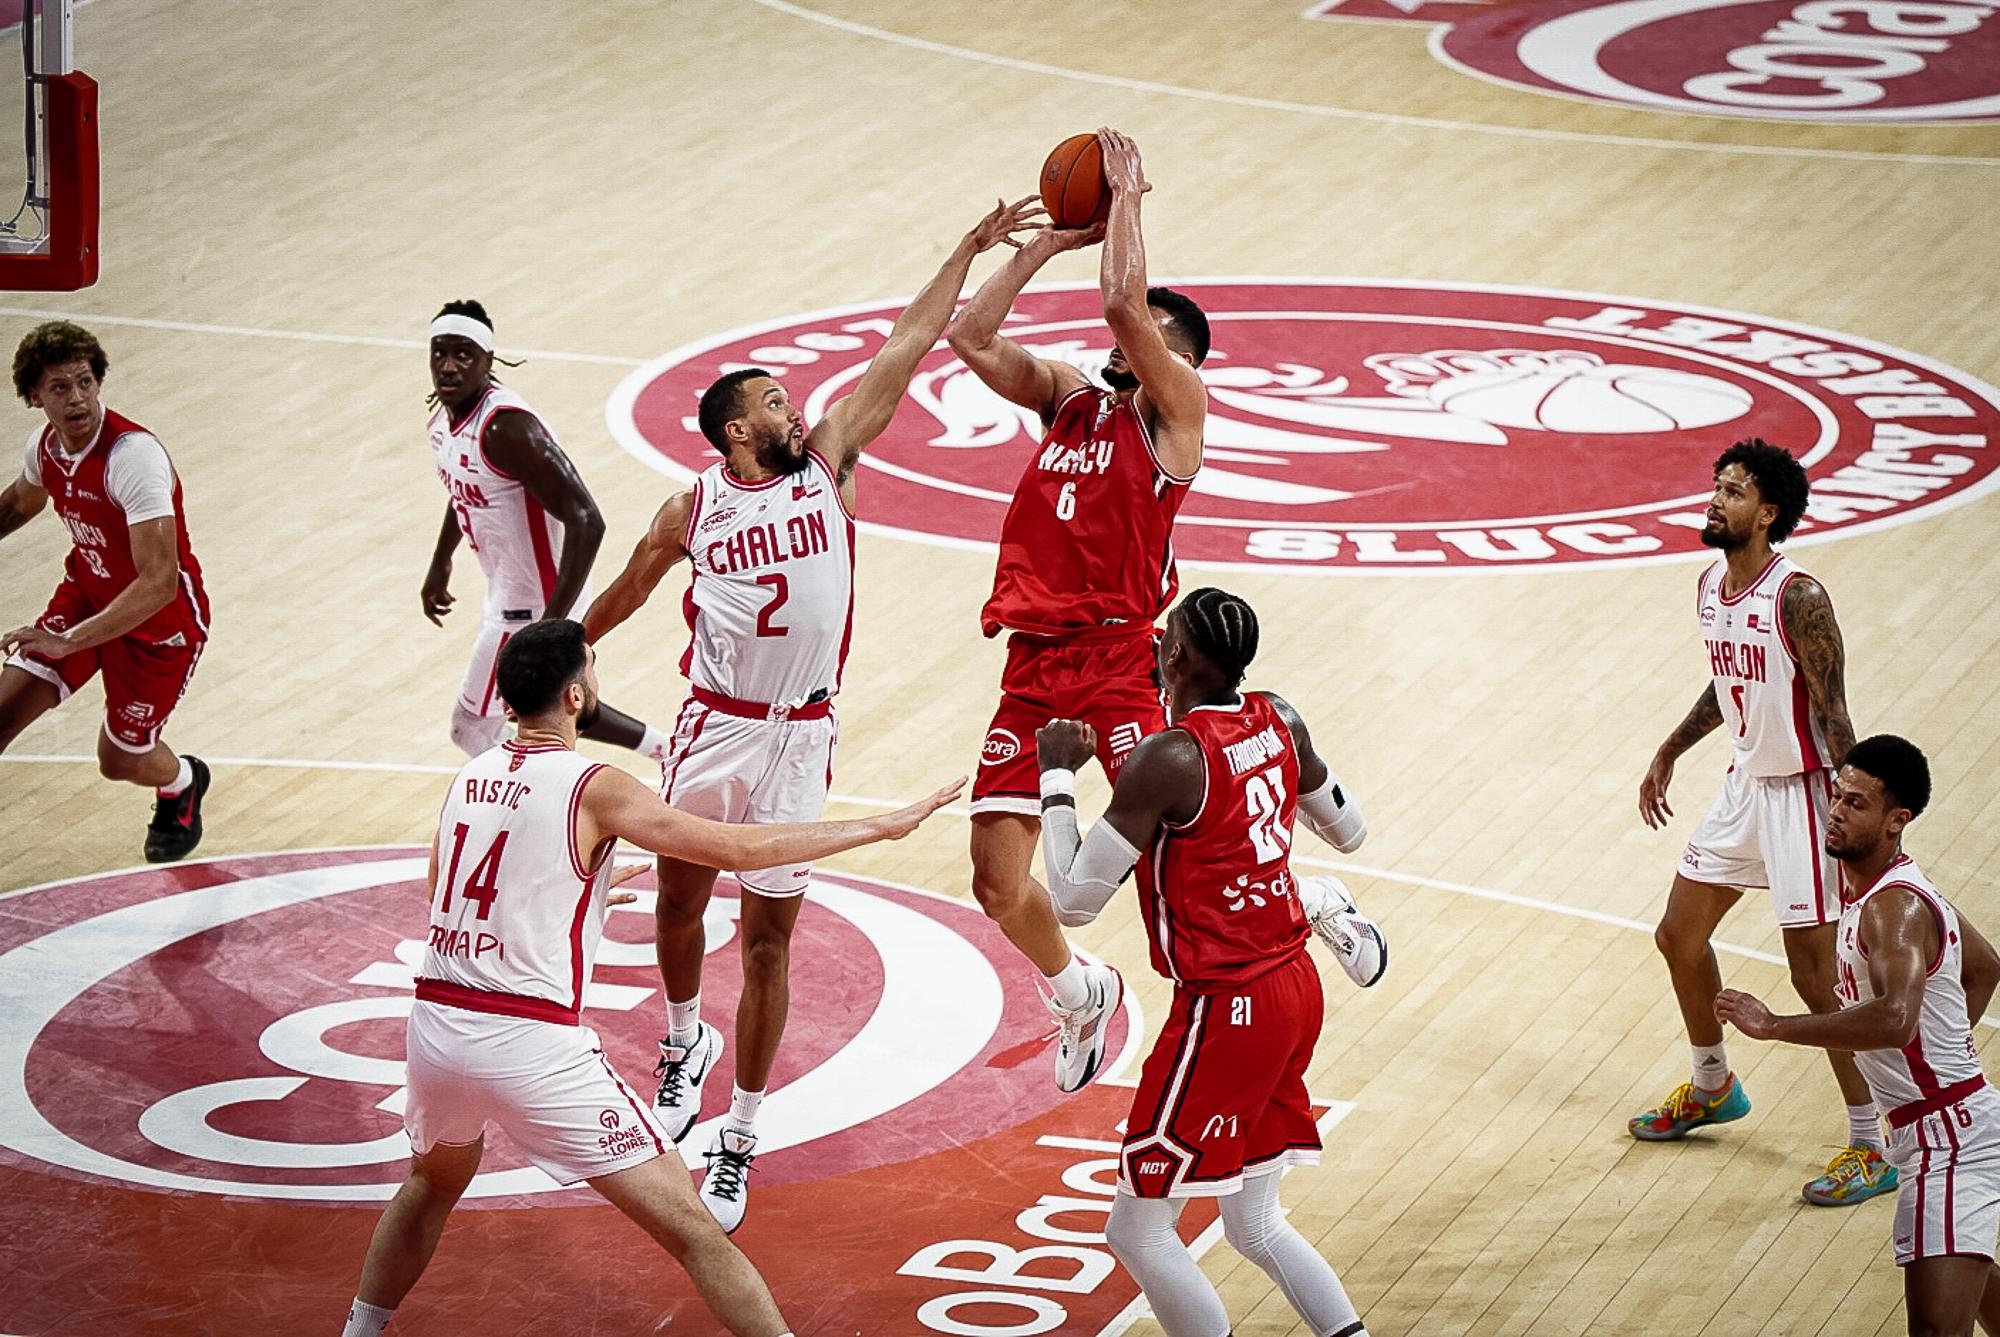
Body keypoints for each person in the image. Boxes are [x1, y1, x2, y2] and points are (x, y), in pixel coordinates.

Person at [580, 197, 1041, 1231]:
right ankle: (682, 1035)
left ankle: (738, 1132)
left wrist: (965, 248)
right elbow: (627, 591)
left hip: (800, 734)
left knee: (768, 940)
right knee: (674, 905)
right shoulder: (689, 508)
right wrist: (568, 646)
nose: (798, 410)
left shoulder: (828, 462)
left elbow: (905, 345)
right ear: (737, 430)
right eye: (777, 403)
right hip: (711, 722)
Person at [336, 619, 961, 1337]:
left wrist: (581, 885)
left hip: (436, 1036)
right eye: (594, 671)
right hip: (531, 1048)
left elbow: (445, 895)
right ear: (576, 697)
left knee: (428, 1187)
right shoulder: (596, 785)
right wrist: (877, 827)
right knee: (695, 1231)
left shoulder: (469, 777)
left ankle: (358, 1329)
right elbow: (735, 846)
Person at [1033, 587, 1379, 1337]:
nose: (1157, 645)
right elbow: (1348, 827)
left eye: (1167, 638)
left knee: (1138, 1230)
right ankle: (1313, 896)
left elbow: (1072, 900)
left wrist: (1057, 776)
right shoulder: (1281, 716)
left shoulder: (1172, 756)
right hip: (1294, 985)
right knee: (1253, 1223)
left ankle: (1310, 895)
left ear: (1179, 655)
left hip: (1228, 1007)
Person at [943, 128, 1210, 1092]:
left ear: (1178, 357)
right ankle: (1078, 990)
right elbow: (970, 336)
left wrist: (1129, 195)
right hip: (1032, 666)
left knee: (1183, 842)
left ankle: (1310, 903)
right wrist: (1045, 244)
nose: (1123, 337)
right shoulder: (1068, 400)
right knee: (995, 881)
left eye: (1149, 335)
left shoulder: (1176, 416)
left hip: (1115, 660)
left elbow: (1121, 301)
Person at [1630, 438, 1892, 1206]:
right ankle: (1714, 1084)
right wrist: (1670, 748)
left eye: (1734, 491)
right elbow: (1729, 681)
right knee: (1679, 935)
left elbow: (1834, 707)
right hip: (1745, 785)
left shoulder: (1799, 596)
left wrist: (1859, 818)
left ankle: (1871, 1141)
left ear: (1768, 512)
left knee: (1816, 976)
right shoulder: (1711, 585)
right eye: (1716, 487)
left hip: (1808, 795)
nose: (1716, 500)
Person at [1717, 735, 2000, 1337]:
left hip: (1949, 1141)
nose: (1837, 811)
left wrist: (1774, 1027)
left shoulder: (1892, 908)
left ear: (1898, 821)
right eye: (1837, 796)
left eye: (1857, 804)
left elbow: (1895, 1020)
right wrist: (1944, 1051)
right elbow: (1984, 966)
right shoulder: (1887, 891)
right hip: (1940, 1124)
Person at [0, 320, 212, 862]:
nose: (77, 399)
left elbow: (160, 583)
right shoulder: (45, 447)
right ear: (34, 397)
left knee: (119, 762)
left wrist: (69, 642)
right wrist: (69, 633)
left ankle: (183, 780)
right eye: (59, 388)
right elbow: (22, 502)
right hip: (85, 598)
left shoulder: (131, 457)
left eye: (85, 383)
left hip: (159, 628)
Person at [420, 299, 666, 760]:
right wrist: (440, 564)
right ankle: (666, 750)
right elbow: (464, 490)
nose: (448, 367)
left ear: (488, 361)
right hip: (508, 589)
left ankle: (530, 802)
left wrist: (551, 622)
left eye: (464, 355)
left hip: (535, 599)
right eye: (439, 353)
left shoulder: (508, 429)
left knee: (474, 727)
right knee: (553, 705)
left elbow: (588, 520)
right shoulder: (443, 421)